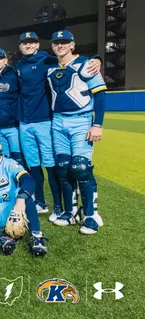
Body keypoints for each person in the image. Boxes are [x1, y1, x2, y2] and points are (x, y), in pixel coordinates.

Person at [15, 31, 101, 218]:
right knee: (33, 166)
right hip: (25, 122)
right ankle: (40, 202)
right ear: (20, 46)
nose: (28, 45)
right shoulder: (19, 66)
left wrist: (96, 59)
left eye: (31, 42)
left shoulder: (48, 60)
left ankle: (60, 207)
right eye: (24, 43)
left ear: (38, 45)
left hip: (45, 120)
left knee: (55, 165)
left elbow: (76, 60)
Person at [47, 30, 106, 234]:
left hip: (81, 121)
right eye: (56, 43)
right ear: (52, 46)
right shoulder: (50, 68)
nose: (60, 46)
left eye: (64, 42)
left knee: (80, 167)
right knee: (63, 167)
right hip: (58, 121)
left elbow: (100, 96)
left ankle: (91, 215)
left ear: (72, 44)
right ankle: (70, 212)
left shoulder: (86, 64)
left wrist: (97, 124)